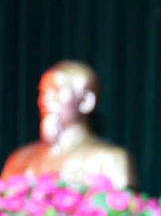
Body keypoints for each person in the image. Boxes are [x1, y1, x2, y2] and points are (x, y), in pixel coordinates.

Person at [2, 61, 138, 190]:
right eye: (43, 91)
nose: (46, 99)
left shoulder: (110, 160)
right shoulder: (19, 160)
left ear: (86, 101)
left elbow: (123, 204)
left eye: (56, 91)